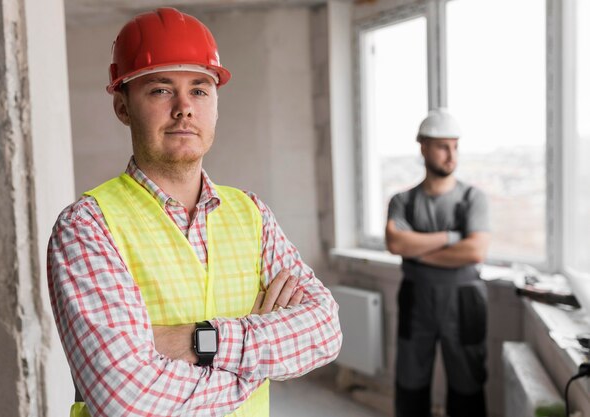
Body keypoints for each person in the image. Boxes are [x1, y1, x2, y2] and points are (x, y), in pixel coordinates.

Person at [46, 8, 342, 417]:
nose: (184, 108)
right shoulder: (87, 227)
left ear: (216, 105)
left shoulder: (251, 214)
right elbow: (127, 400)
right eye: (160, 90)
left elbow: (324, 332)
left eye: (200, 90)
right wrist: (257, 360)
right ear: (123, 107)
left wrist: (202, 340)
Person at [385, 108, 491, 417]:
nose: (451, 154)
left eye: (455, 146)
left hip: (464, 300)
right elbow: (395, 243)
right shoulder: (403, 201)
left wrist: (416, 249)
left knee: (467, 383)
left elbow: (475, 252)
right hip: (416, 297)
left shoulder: (473, 198)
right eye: (443, 146)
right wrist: (450, 237)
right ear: (423, 147)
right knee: (410, 380)